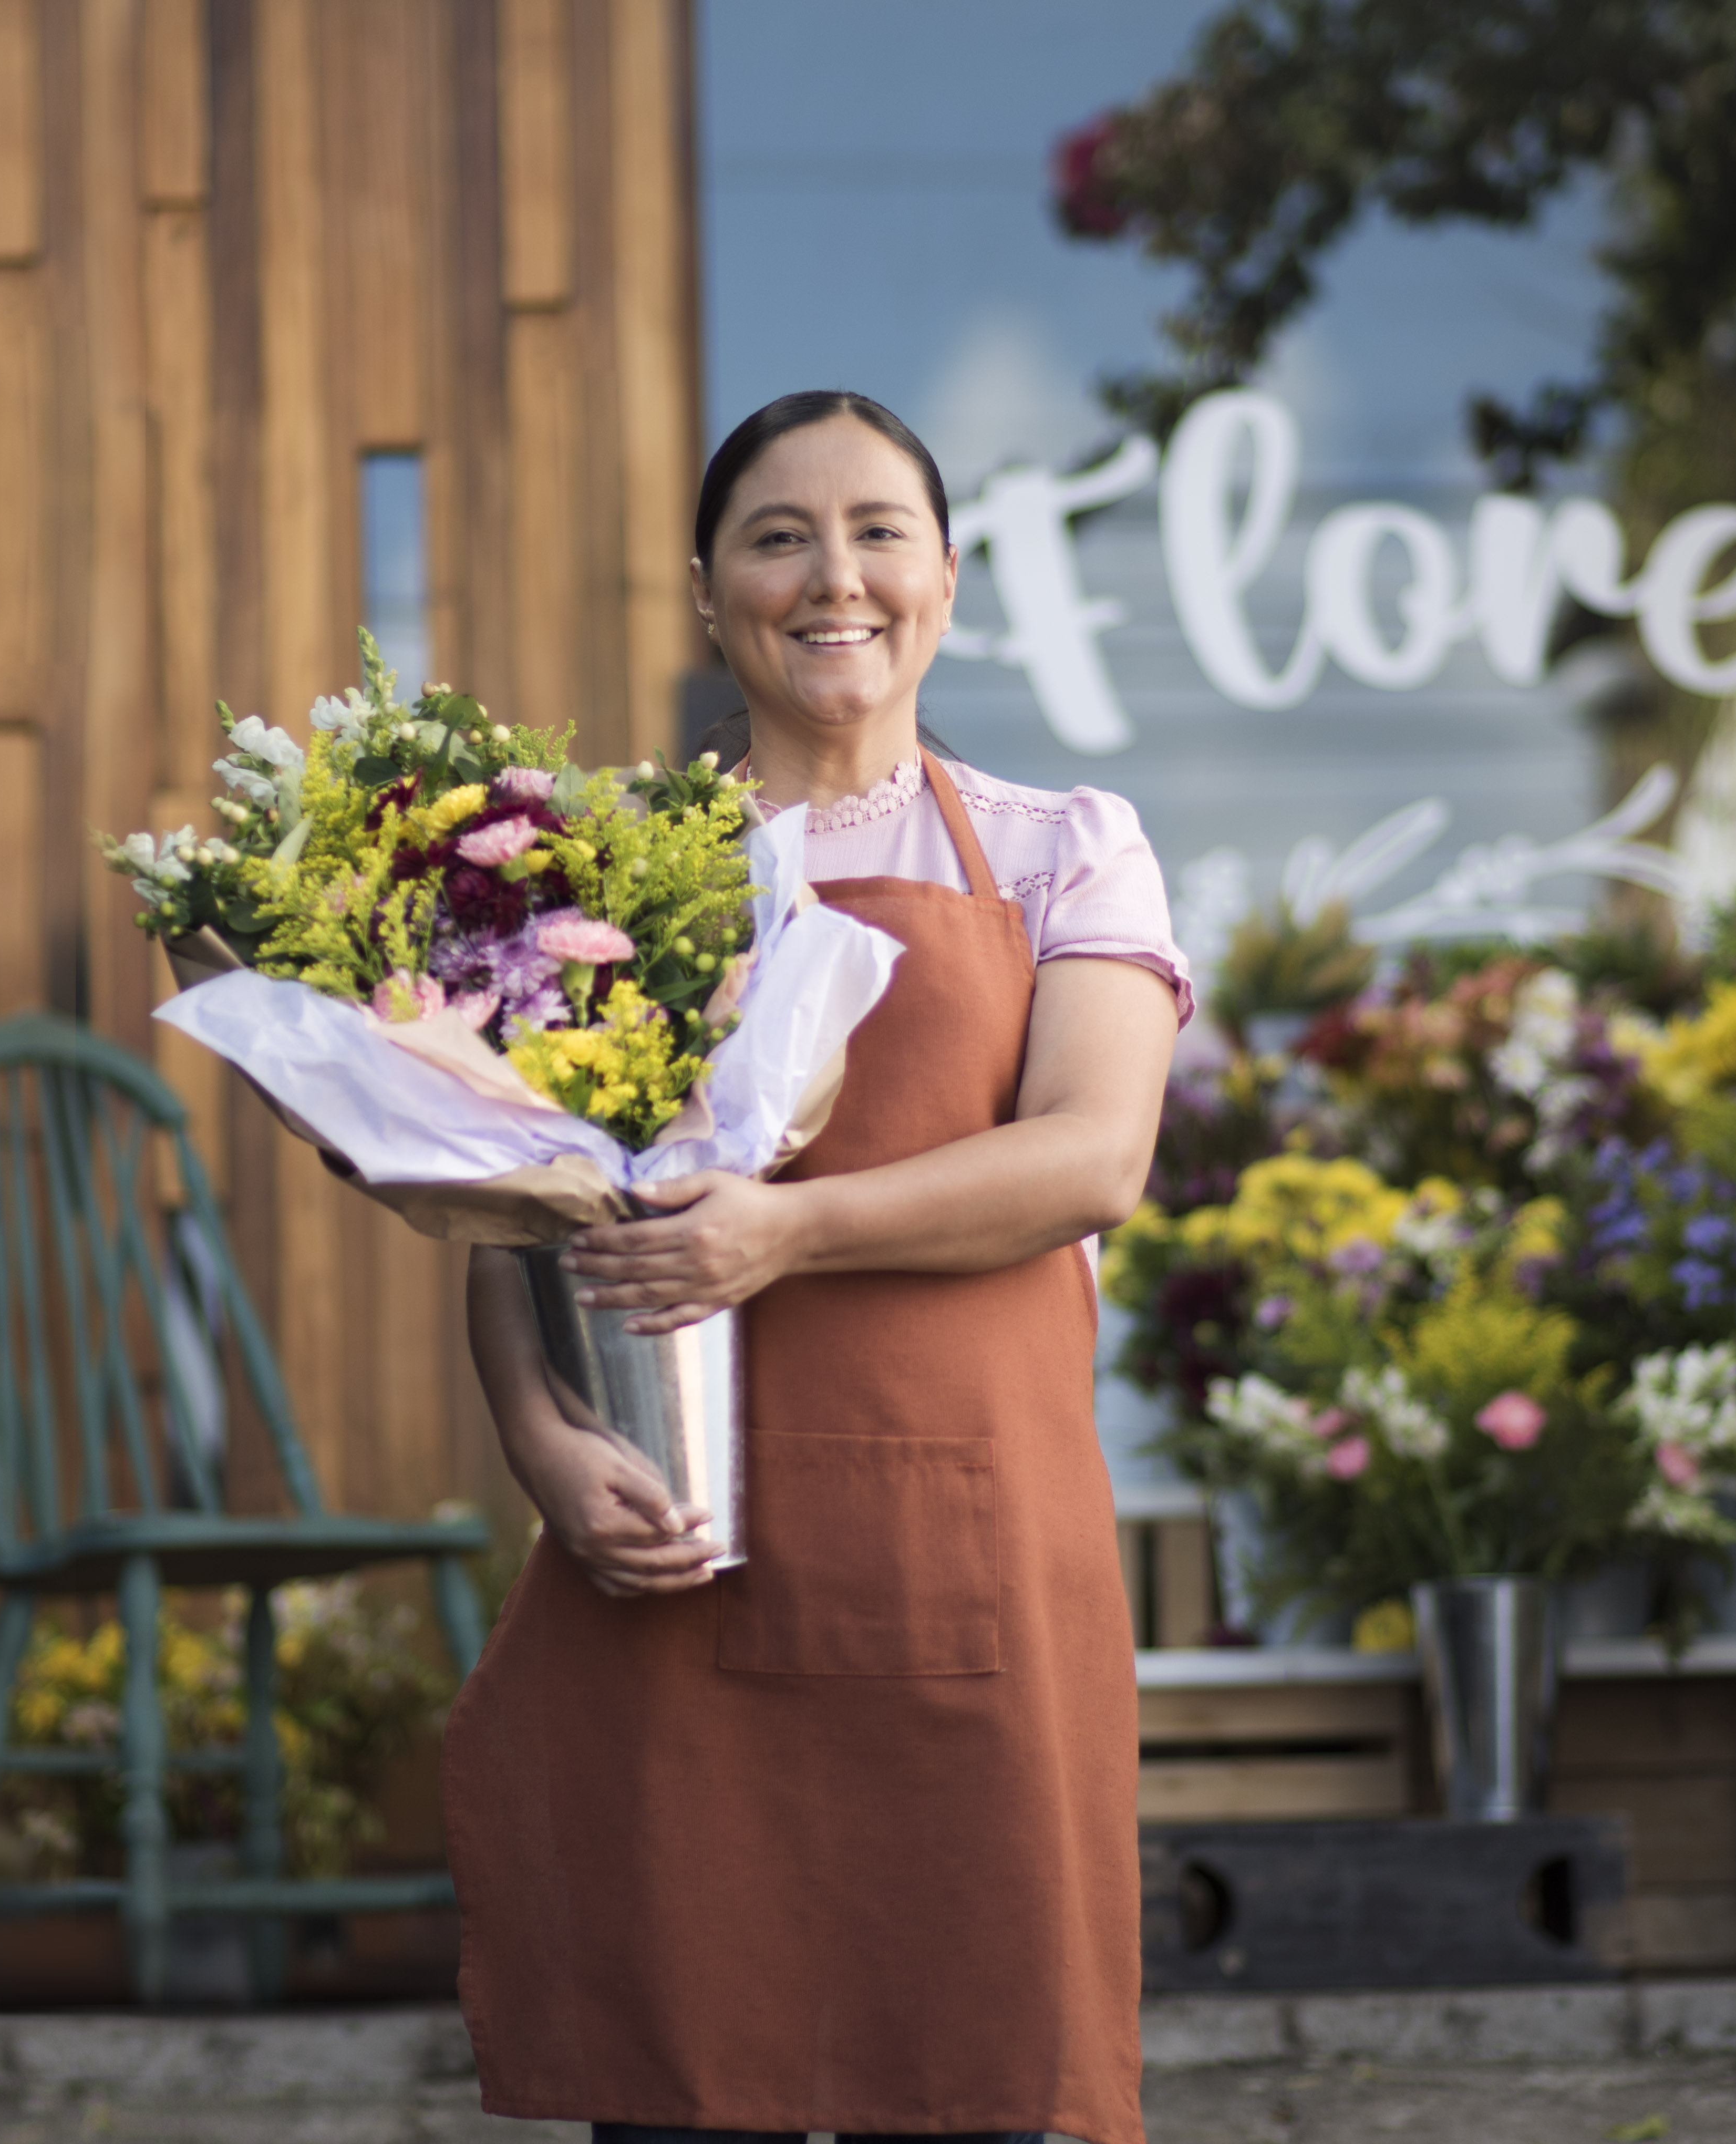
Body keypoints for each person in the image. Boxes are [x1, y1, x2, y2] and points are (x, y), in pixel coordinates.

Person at [442, 390, 1189, 2144]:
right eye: (778, 537)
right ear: (708, 595)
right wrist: (548, 1453)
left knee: (991, 2075)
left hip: (977, 1559)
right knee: (686, 2083)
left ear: (946, 576)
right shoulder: (597, 873)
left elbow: (1094, 1155)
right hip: (672, 1549)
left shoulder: (1057, 844)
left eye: (878, 532)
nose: (832, 577)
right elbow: (508, 1215)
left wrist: (788, 1229)